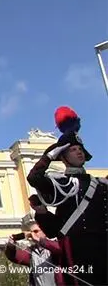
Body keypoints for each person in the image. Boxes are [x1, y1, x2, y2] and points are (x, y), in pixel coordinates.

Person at [27, 111, 107, 286]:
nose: (78, 152)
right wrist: (51, 154)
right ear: (62, 156)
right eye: (73, 149)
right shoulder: (62, 184)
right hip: (77, 251)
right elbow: (34, 178)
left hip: (103, 248)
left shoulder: (99, 184)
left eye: (80, 149)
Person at [4, 215, 63, 286]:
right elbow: (14, 257)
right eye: (31, 232)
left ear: (44, 231)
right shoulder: (31, 251)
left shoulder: (54, 245)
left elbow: (59, 249)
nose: (32, 235)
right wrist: (11, 246)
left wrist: (40, 241)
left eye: (36, 231)